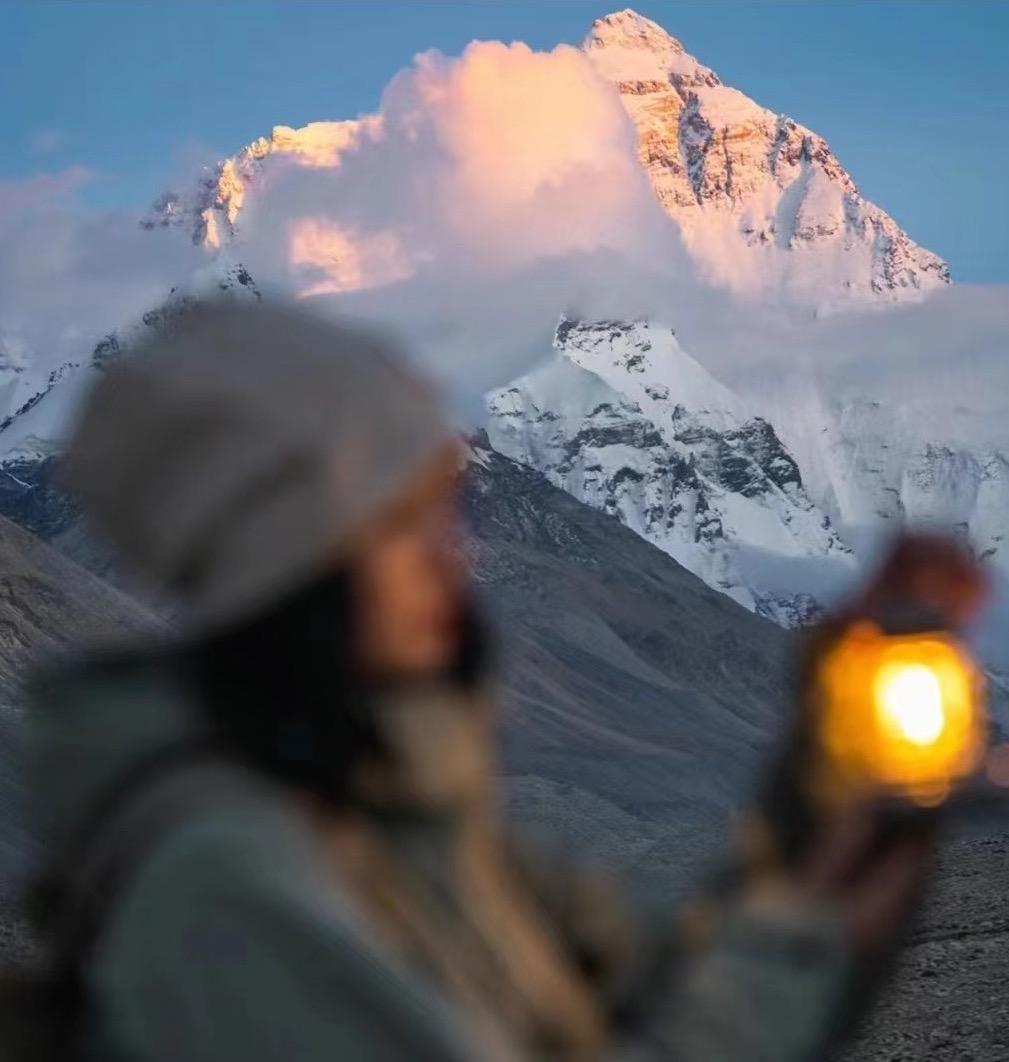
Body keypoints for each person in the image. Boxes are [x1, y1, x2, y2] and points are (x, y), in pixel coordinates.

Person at [24, 299, 948, 1061]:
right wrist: (796, 938)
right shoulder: (228, 886)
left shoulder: (387, 824)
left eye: (446, 510)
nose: (451, 554)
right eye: (401, 520)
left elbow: (662, 988)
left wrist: (821, 781)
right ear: (287, 557)